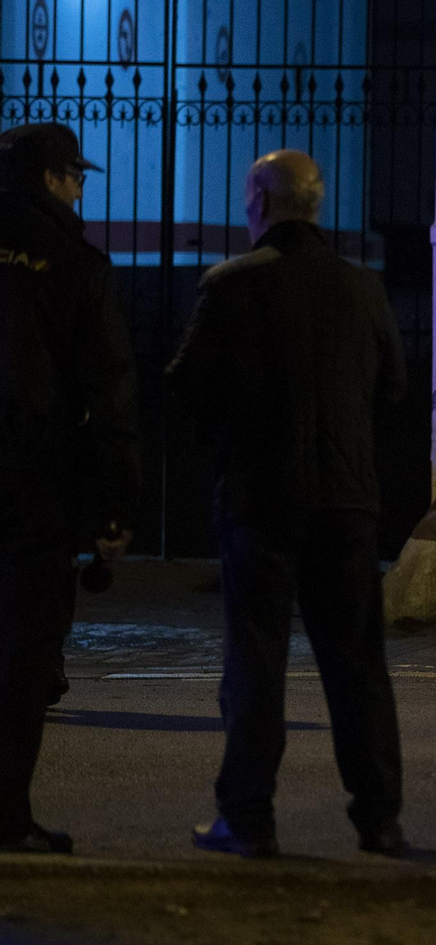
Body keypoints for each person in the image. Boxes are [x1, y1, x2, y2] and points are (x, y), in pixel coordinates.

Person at [167, 149, 408, 858]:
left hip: (261, 500)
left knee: (257, 660)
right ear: (316, 204)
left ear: (260, 203)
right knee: (356, 663)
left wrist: (231, 432)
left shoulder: (232, 285)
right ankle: (379, 817)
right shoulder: (361, 289)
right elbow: (392, 386)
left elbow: (186, 388)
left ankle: (248, 816)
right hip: (346, 501)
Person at [0, 123, 140, 854]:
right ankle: (7, 811)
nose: (82, 187)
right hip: (31, 481)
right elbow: (108, 390)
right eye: (77, 175)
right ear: (53, 176)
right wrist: (115, 505)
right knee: (24, 649)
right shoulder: (76, 263)